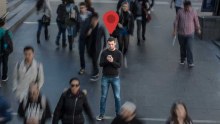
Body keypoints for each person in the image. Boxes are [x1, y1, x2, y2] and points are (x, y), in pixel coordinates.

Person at [96, 37, 122, 121]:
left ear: (115, 43)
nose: (110, 45)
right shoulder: (104, 53)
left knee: (117, 97)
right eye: (109, 44)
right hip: (105, 77)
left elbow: (119, 65)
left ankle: (118, 115)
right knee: (103, 97)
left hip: (115, 78)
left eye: (112, 44)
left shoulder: (118, 53)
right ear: (108, 43)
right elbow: (100, 64)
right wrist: (107, 61)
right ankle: (101, 114)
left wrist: (112, 61)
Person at [173, 1, 201, 68]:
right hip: (181, 33)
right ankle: (182, 59)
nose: (188, 8)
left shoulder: (193, 12)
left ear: (190, 6)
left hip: (190, 33)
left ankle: (190, 62)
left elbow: (196, 21)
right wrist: (174, 31)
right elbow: (176, 21)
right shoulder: (180, 11)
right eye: (186, 7)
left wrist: (198, 29)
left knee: (189, 47)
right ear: (184, 6)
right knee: (182, 47)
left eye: (189, 7)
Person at [86, 12, 107, 81]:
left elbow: (104, 36)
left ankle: (96, 74)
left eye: (95, 20)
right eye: (92, 20)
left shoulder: (100, 27)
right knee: (92, 60)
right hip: (90, 47)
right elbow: (85, 37)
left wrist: (104, 45)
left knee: (95, 61)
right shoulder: (90, 27)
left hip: (97, 48)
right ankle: (94, 70)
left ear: (97, 20)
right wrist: (88, 34)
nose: (93, 21)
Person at [117, 1, 134, 67]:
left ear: (128, 7)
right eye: (123, 6)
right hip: (120, 31)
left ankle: (123, 54)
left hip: (126, 31)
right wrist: (117, 24)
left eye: (126, 7)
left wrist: (131, 31)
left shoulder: (130, 14)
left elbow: (132, 24)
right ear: (121, 7)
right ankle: (120, 55)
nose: (124, 8)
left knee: (126, 46)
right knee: (120, 45)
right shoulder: (118, 12)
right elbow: (114, 21)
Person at [78, 2, 92, 75]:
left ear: (86, 8)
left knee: (90, 52)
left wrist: (91, 29)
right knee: (81, 52)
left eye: (83, 8)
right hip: (82, 37)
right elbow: (77, 25)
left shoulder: (90, 15)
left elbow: (95, 24)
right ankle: (82, 67)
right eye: (80, 8)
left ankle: (94, 65)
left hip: (89, 37)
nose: (81, 9)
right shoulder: (78, 16)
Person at [0, 17, 13, 82]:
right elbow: (10, 37)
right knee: (5, 63)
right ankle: (4, 77)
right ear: (3, 23)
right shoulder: (5, 31)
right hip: (5, 51)